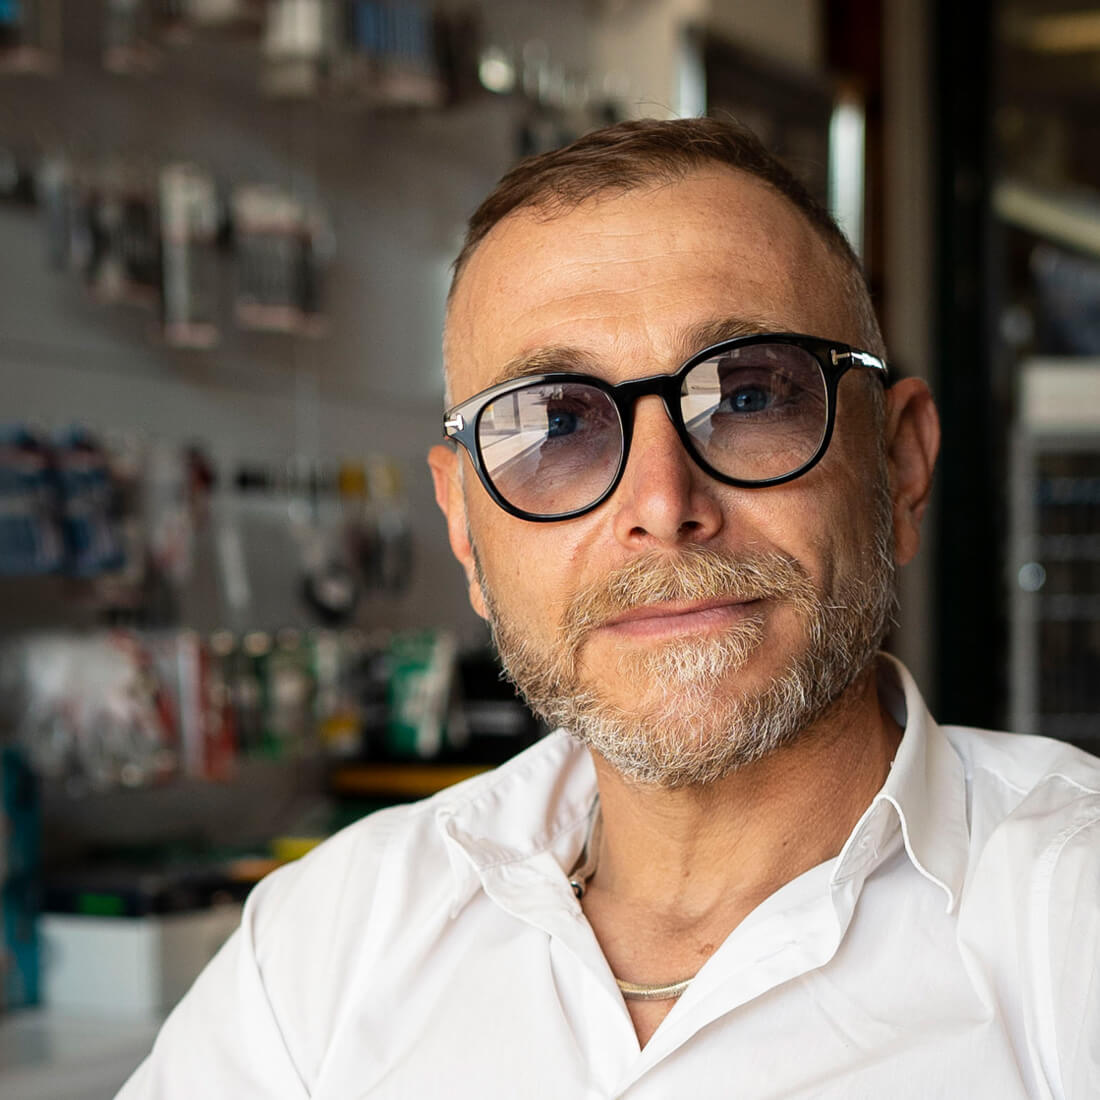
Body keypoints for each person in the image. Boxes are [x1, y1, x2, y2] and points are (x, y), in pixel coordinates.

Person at [119, 118, 1100, 1099]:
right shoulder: (322, 948)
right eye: (555, 424)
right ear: (463, 526)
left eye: (750, 397)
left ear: (900, 464)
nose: (663, 506)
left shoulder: (1069, 922)